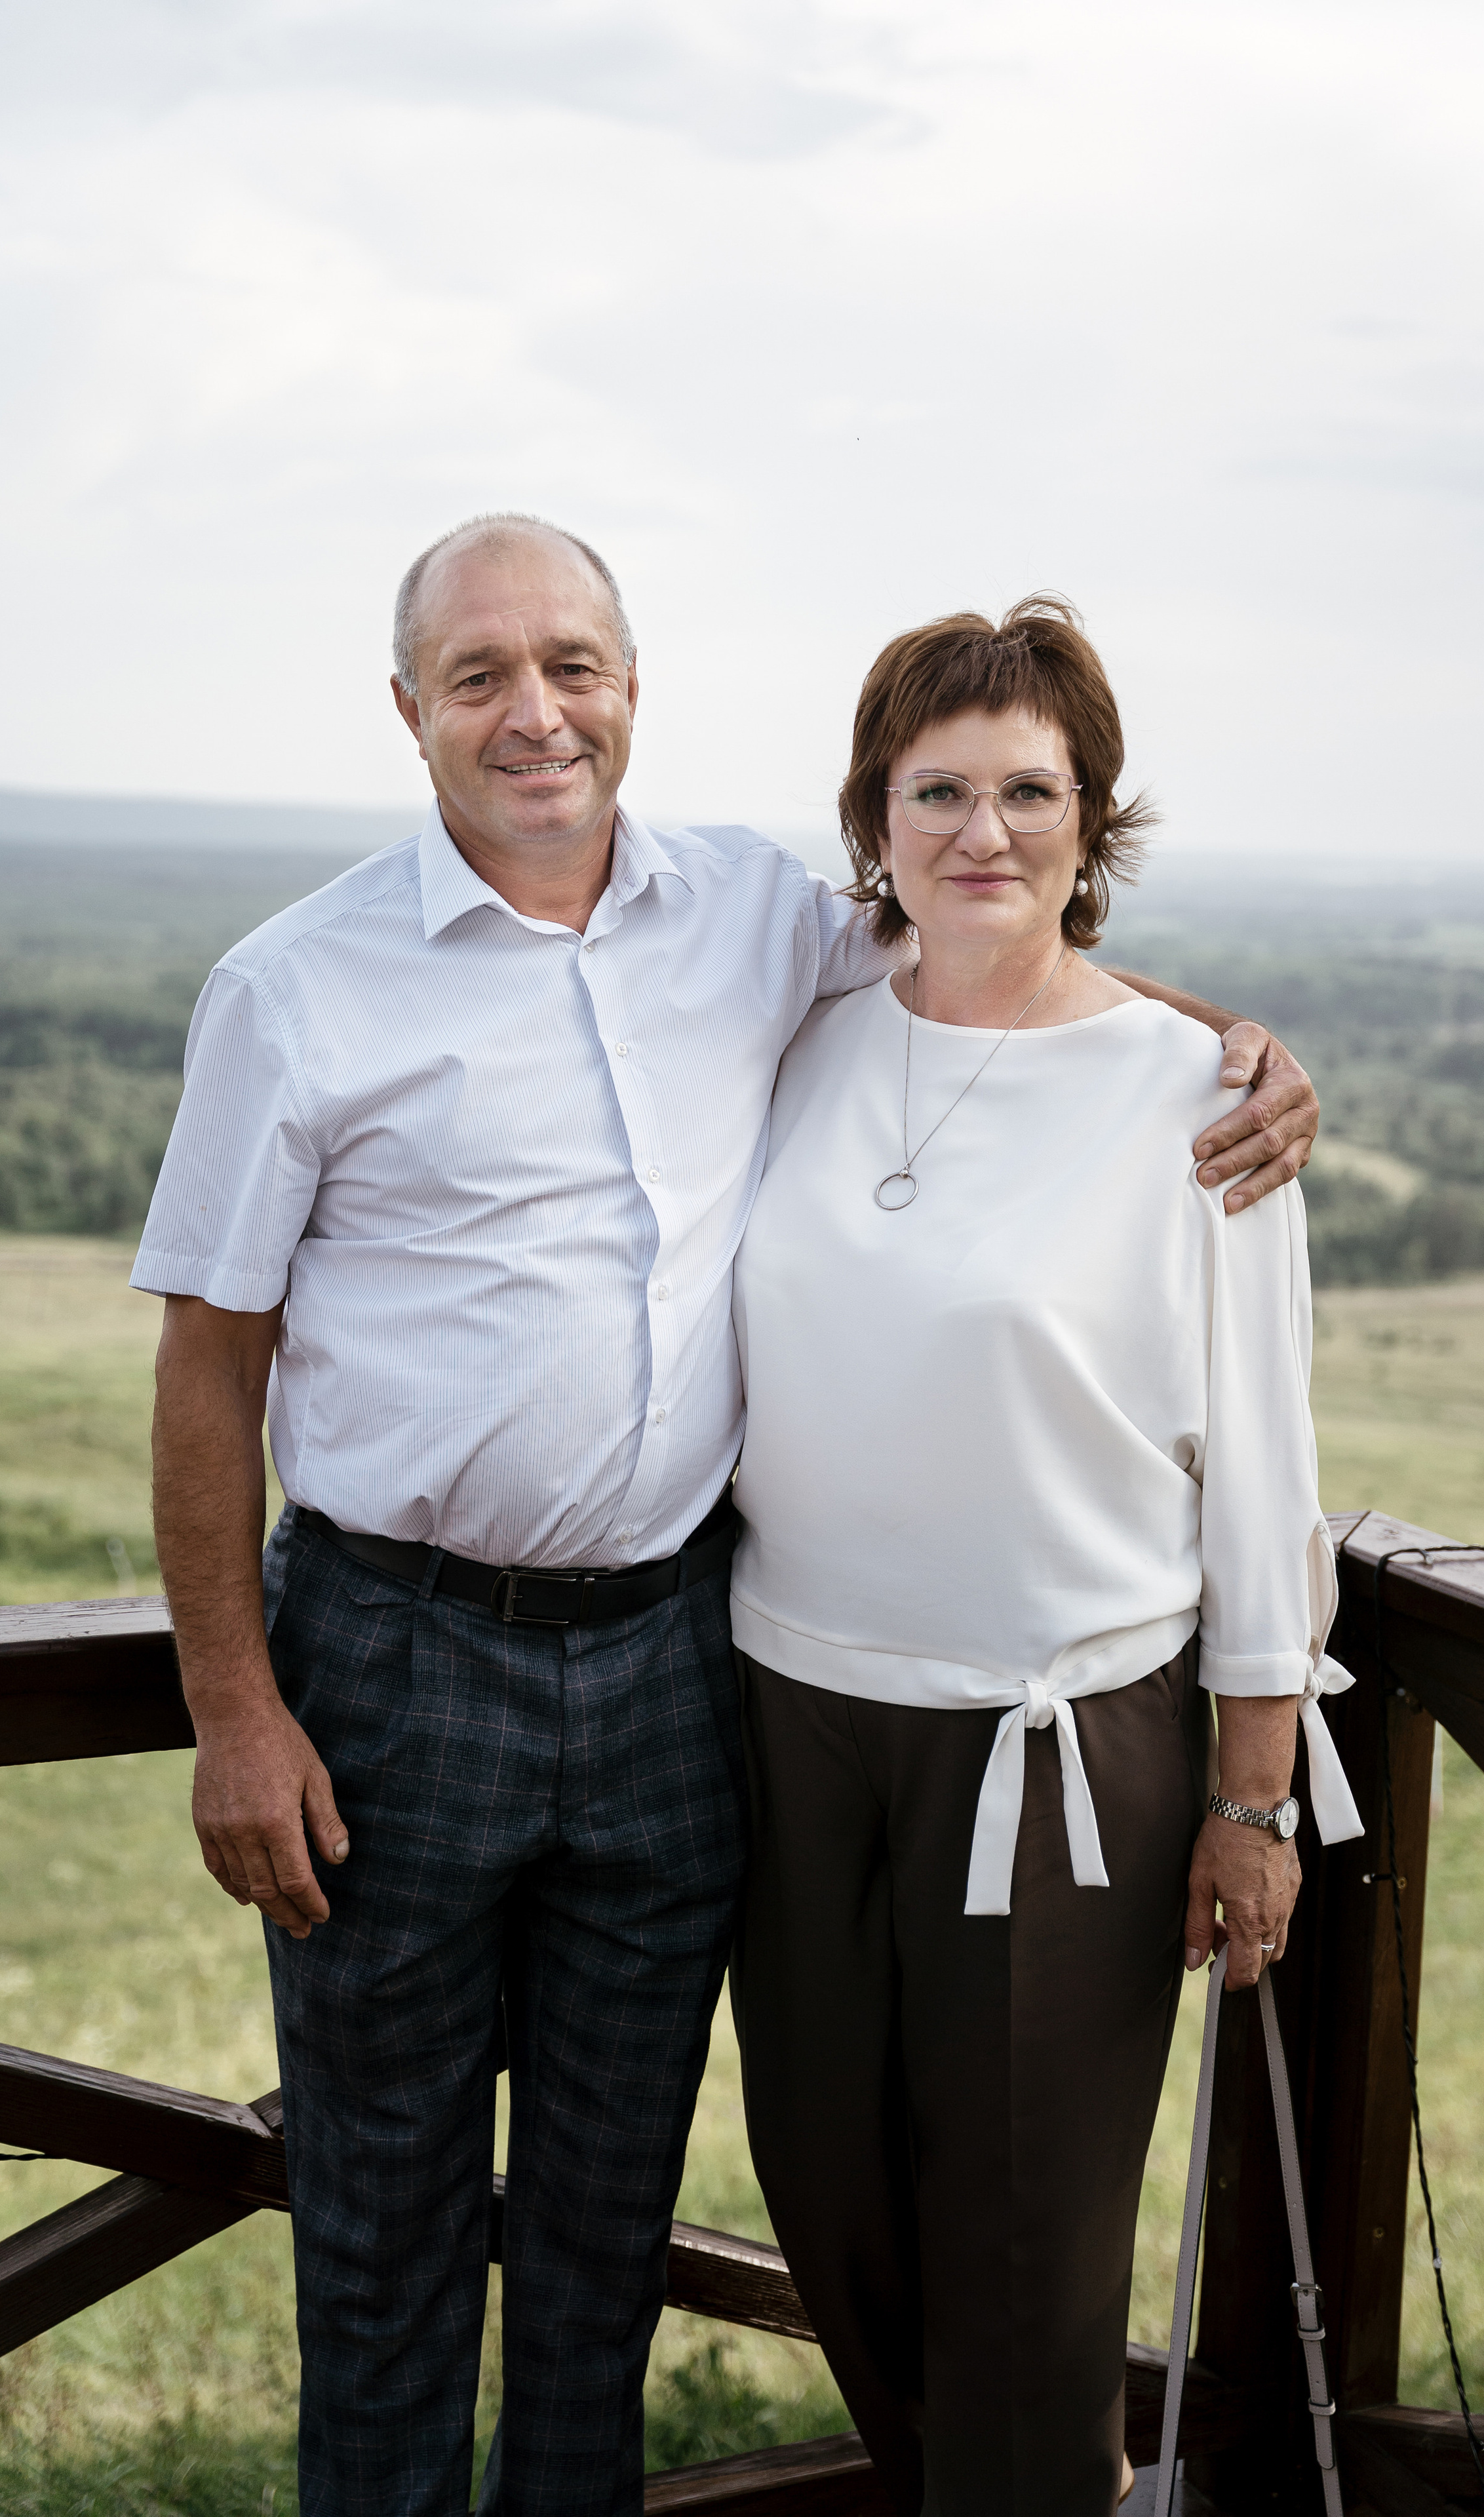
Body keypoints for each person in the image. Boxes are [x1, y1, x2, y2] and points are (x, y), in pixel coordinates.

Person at [132, 519, 1321, 2517]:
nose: (537, 711)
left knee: (603, 2241)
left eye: (574, 663)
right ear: (408, 705)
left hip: (674, 1670)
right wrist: (234, 1710)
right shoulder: (297, 987)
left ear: (631, 686)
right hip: (406, 1666)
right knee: (388, 2227)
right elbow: (206, 1364)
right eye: (484, 671)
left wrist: (1244, 1054)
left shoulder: (748, 917)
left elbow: (1011, 947)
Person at [727, 596, 1363, 2517]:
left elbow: (1264, 1459)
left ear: (1096, 826)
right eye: (940, 790)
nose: (981, 831)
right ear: (876, 817)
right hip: (789, 1718)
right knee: (837, 2216)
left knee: (1023, 2269)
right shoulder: (804, 1037)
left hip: (1058, 1748)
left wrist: (1255, 1798)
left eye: (1030, 789)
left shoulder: (1203, 1104)